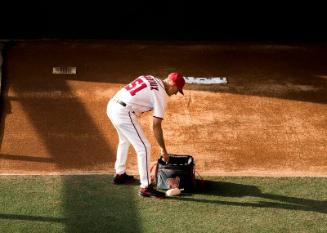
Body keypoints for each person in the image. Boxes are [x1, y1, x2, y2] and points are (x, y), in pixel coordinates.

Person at [107, 72, 185, 198]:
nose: (176, 93)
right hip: (123, 113)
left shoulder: (150, 77)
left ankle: (119, 174)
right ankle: (145, 187)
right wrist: (163, 150)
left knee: (124, 140)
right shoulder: (161, 95)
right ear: (172, 84)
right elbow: (156, 125)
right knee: (144, 147)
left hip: (112, 106)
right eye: (177, 90)